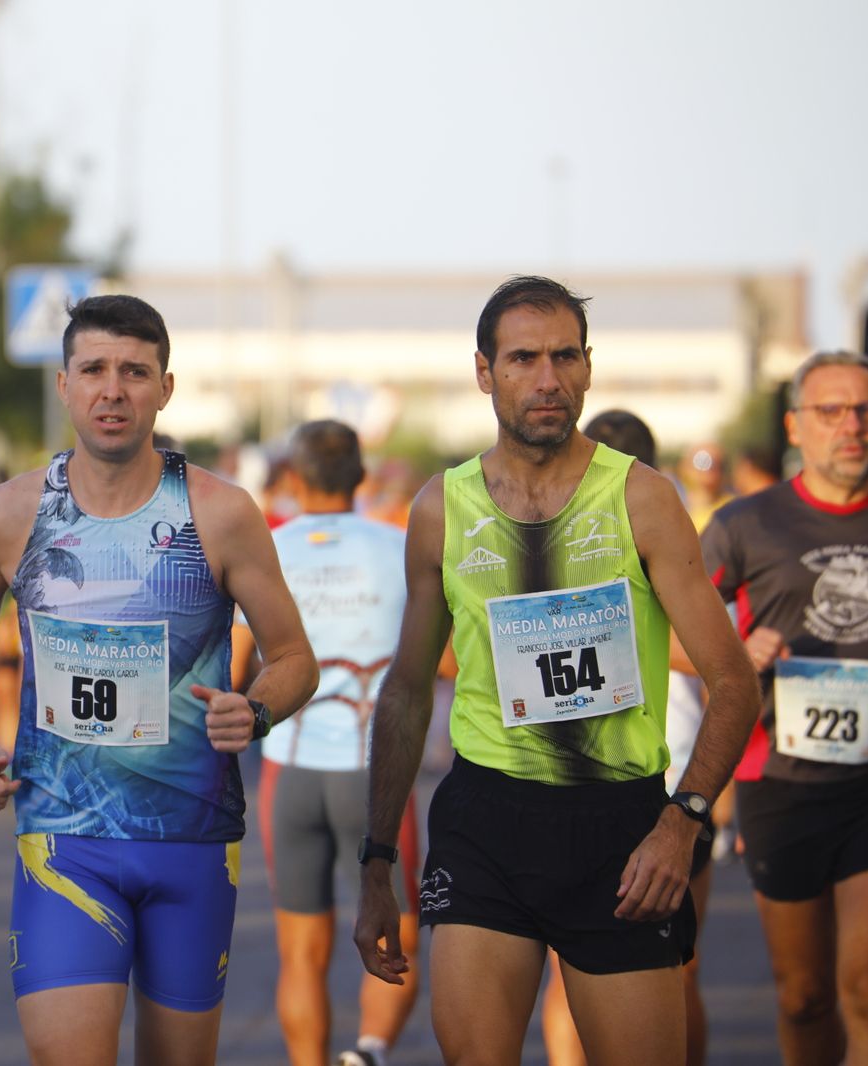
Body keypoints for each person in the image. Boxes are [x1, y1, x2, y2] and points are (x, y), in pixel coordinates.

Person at [352, 276, 760, 1066]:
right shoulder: (441, 507)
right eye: (523, 359)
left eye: (565, 357)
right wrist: (376, 862)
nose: (548, 379)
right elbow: (405, 690)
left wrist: (682, 822)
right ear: (484, 371)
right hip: (486, 820)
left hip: (620, 827)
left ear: (588, 367)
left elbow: (735, 682)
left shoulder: (642, 498)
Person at [0, 294, 318, 1066]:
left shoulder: (220, 513)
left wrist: (255, 710)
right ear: (65, 386)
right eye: (95, 370)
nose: (113, 390)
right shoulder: (8, 513)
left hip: (191, 842)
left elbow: (295, 659)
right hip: (63, 838)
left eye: (135, 373)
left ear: (165, 389)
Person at [701, 350, 868, 1066]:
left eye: (866, 410)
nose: (852, 426)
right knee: (804, 996)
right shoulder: (744, 524)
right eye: (832, 411)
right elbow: (668, 626)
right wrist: (735, 652)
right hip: (780, 781)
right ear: (796, 426)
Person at [540, 408, 717, 1066]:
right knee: (672, 968)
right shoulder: (662, 525)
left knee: (582, 969)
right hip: (646, 780)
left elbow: (716, 662)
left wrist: (618, 639)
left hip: (656, 780)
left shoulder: (655, 528)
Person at [259, 419, 419, 1066]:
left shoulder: (268, 549)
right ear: (362, 476)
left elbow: (238, 666)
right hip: (375, 769)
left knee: (299, 953)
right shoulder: (399, 545)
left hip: (289, 769)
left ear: (294, 479)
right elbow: (443, 663)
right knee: (398, 931)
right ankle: (370, 1051)